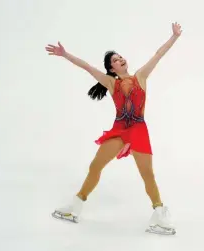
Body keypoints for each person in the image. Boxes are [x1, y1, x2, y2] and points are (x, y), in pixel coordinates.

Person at [45, 22, 182, 235]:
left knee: (147, 174)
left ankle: (159, 213)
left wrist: (174, 37)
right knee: (95, 166)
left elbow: (158, 54)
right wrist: (65, 54)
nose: (120, 60)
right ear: (112, 69)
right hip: (119, 130)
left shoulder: (141, 77)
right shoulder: (111, 83)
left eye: (120, 57)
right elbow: (87, 67)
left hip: (138, 130)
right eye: (115, 60)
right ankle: (76, 206)